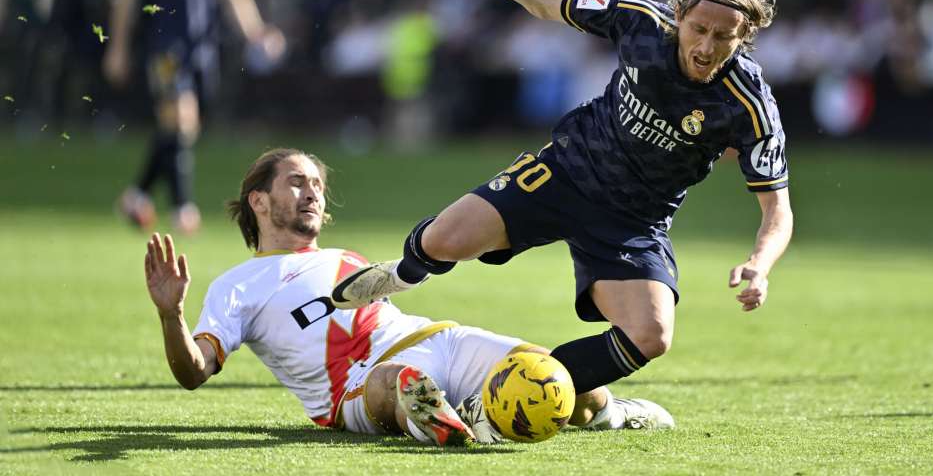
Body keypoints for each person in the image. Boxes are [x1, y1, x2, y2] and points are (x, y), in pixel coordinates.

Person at [334, 0, 794, 398]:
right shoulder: (640, 21)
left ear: (744, 36)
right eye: (699, 29)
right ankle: (402, 274)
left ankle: (522, 395)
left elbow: (778, 208)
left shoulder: (749, 104)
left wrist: (760, 264)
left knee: (651, 334)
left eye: (724, 37)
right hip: (564, 174)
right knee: (443, 241)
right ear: (679, 16)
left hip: (632, 223)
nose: (706, 47)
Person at [142, 147, 673, 446]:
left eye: (318, 186)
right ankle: (444, 420)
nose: (313, 193)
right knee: (393, 383)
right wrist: (172, 315)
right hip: (357, 384)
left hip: (439, 339)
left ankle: (613, 414)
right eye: (297, 183)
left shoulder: (345, 258)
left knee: (553, 377)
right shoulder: (238, 284)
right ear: (258, 201)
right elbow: (194, 371)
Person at [108, 0, 285, 234]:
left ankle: (137, 195)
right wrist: (117, 47)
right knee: (180, 119)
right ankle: (182, 208)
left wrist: (256, 32)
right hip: (164, 44)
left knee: (182, 129)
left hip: (202, 48)